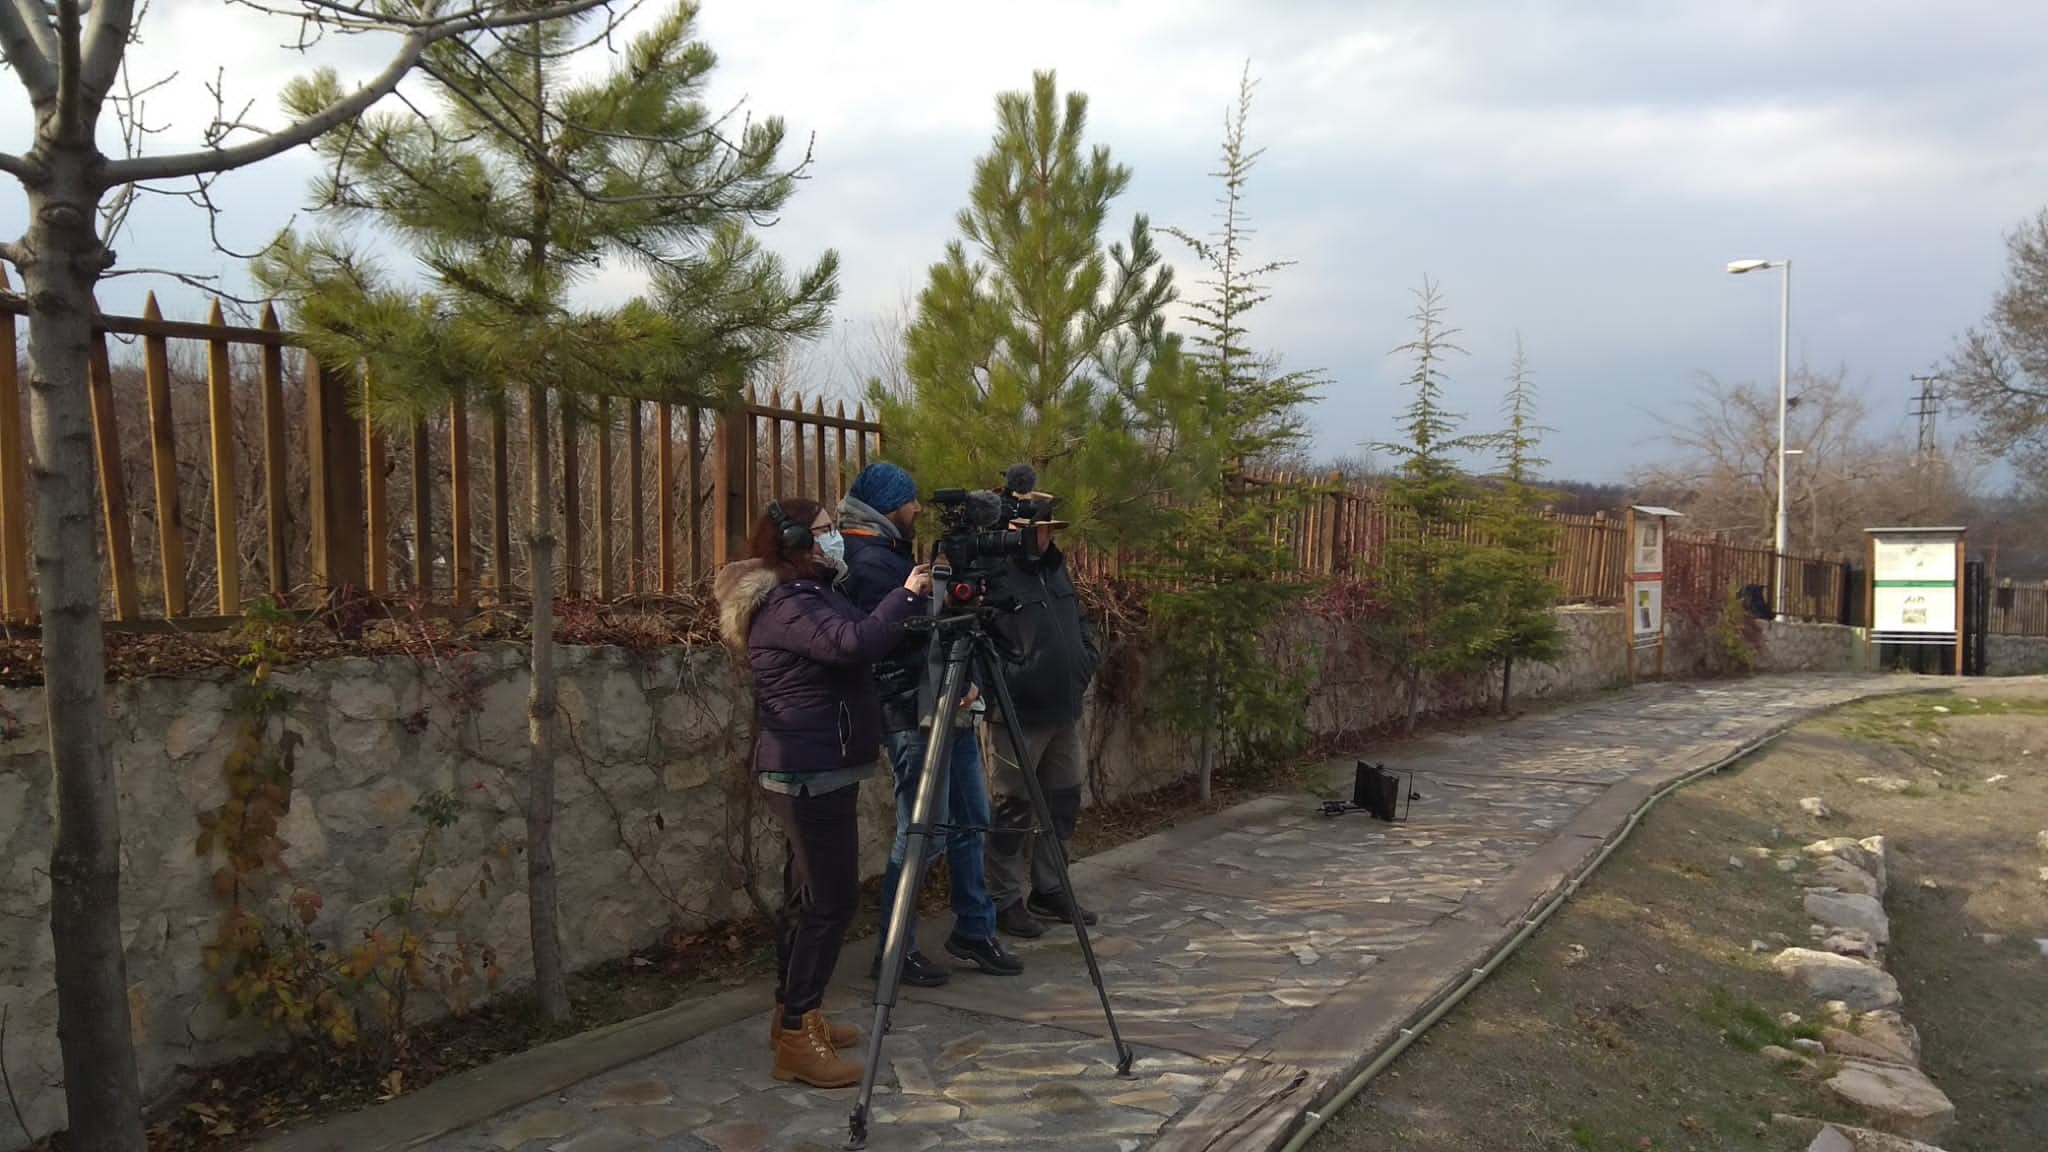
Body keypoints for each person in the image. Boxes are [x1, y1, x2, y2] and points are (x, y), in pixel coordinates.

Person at [713, 496, 932, 1089]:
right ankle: (794, 1040)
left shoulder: (811, 590)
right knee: (831, 901)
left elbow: (860, 634)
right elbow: (852, 643)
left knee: (807, 896)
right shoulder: (788, 602)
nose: (835, 537)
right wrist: (907, 592)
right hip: (808, 769)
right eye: (824, 530)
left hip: (817, 764)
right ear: (790, 538)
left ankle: (796, 1013)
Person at [837, 462, 1023, 988]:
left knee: (971, 821)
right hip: (913, 713)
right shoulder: (870, 561)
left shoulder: (890, 552)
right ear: (890, 505)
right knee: (924, 835)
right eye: (911, 500)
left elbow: (934, 627)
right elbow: (892, 641)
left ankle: (974, 929)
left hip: (946, 702)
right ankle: (896, 949)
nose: (918, 509)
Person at [981, 475, 1102, 939]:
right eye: (1043, 527)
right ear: (1018, 527)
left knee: (1064, 799)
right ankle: (1004, 898)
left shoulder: (1055, 569)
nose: (1050, 535)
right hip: (1016, 714)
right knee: (1011, 806)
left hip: (1063, 709)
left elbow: (1079, 619)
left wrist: (1085, 659)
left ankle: (1050, 888)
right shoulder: (994, 574)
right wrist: (1012, 681)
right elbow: (982, 642)